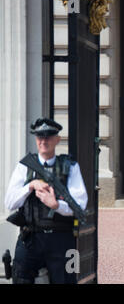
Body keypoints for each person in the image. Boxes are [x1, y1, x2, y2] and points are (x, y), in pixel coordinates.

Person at [4, 118, 88, 284]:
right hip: (31, 236)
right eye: (39, 137)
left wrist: (56, 205)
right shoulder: (25, 167)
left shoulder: (70, 166)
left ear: (57, 139)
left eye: (48, 137)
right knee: (19, 278)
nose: (43, 141)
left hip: (63, 238)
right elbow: (9, 202)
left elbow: (80, 205)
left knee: (68, 279)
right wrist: (30, 186)